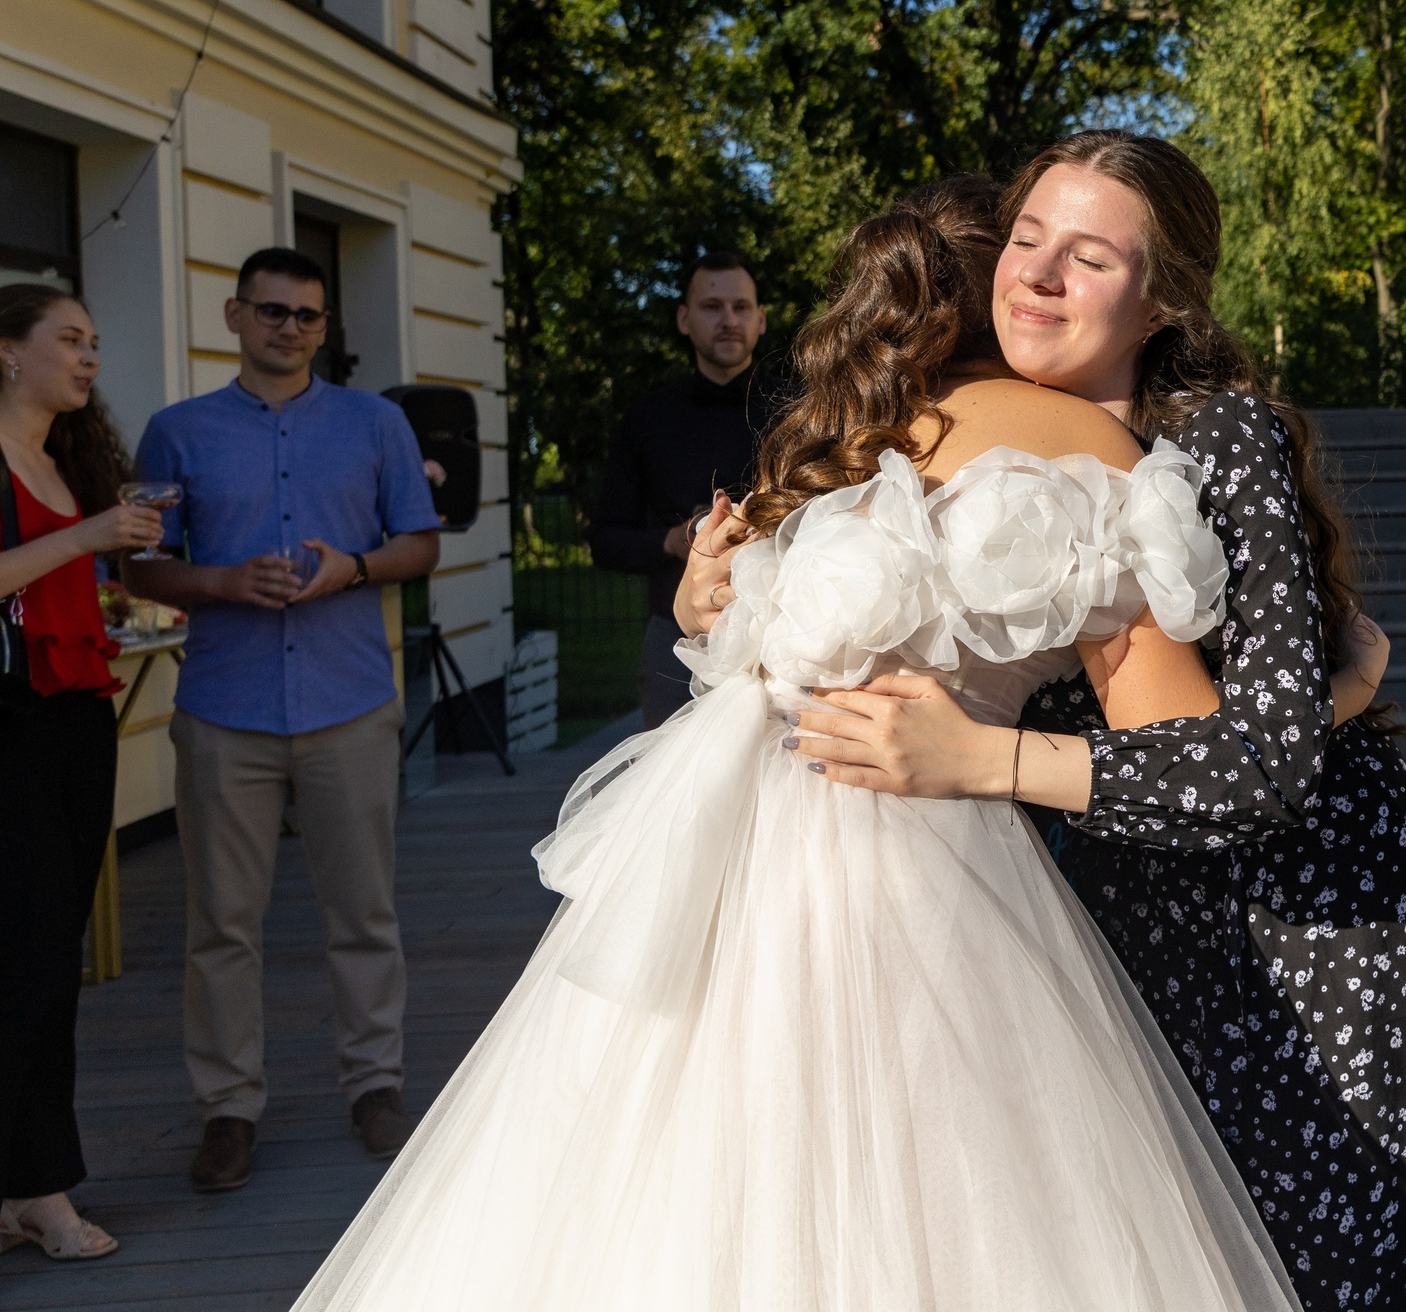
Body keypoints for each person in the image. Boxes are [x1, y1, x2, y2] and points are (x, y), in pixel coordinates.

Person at [288, 181, 1330, 1312]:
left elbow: (760, 646)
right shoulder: (1090, 447)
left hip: (724, 863)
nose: (1044, 279)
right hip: (909, 867)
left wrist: (705, 608)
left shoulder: (845, 445)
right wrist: (1334, 683)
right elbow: (1172, 745)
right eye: (1028, 246)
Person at [767, 132, 1406, 1311]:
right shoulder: (974, 416)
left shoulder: (1216, 436)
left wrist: (982, 761)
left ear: (1163, 297)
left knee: (1365, 1270)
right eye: (1026, 239)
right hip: (1136, 911)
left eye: (1087, 258)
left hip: (1318, 921)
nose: (1036, 275)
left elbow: (1270, 767)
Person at [124, 248, 444, 1194]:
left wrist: (353, 566)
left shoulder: (376, 423)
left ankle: (374, 1084)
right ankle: (228, 1106)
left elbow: (420, 543)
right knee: (222, 921)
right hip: (226, 706)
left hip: (348, 700)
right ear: (234, 315)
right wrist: (219, 581)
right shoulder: (175, 432)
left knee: (364, 910)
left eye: (307, 315)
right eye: (272, 311)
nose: (290, 328)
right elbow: (138, 567)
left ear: (324, 326)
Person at [0, 287, 162, 1264]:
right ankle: (42, 1192)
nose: (89, 357)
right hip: (10, 725)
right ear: (8, 353)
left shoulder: (65, 462)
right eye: (69, 340)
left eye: (97, 342)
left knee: (45, 960)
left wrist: (116, 538)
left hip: (75, 717)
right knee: (33, 967)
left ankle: (21, 1187)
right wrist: (87, 538)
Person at [589, 251, 790, 729]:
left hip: (787, 635)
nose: (728, 320)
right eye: (711, 307)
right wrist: (671, 540)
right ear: (683, 318)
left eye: (741, 307)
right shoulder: (645, 419)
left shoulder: (800, 411)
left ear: (761, 320)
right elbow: (605, 541)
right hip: (675, 643)